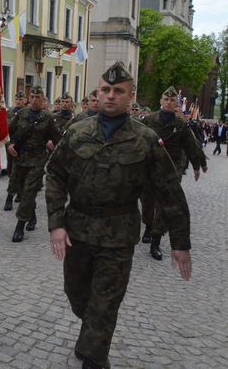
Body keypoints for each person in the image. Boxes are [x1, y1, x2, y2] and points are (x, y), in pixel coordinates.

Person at [45, 62, 192, 369]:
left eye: (118, 91)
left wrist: (180, 242)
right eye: (106, 90)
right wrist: (56, 223)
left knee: (105, 304)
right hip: (78, 231)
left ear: (130, 96)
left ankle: (96, 355)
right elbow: (56, 175)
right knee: (77, 295)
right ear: (98, 93)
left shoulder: (146, 139)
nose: (110, 96)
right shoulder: (77, 132)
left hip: (118, 235)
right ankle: (92, 336)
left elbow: (169, 191)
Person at [141, 86, 207, 259]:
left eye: (172, 100)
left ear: (176, 103)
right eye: (166, 99)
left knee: (165, 205)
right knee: (147, 201)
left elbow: (191, 145)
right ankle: (148, 226)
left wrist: (197, 164)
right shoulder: (149, 120)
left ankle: (156, 240)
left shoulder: (181, 124)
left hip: (172, 168)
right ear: (161, 101)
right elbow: (138, 141)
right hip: (150, 166)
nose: (169, 102)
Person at [6, 85, 61, 242]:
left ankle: (19, 226)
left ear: (43, 99)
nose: (35, 100)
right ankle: (32, 214)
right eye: (32, 97)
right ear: (29, 99)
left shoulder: (48, 118)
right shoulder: (22, 114)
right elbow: (10, 131)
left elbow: (57, 139)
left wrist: (55, 150)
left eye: (38, 97)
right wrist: (9, 145)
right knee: (22, 191)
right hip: (20, 157)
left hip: (37, 159)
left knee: (29, 191)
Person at [3, 90, 27, 211]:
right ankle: (17, 190)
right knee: (10, 169)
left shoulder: (27, 113)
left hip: (22, 147)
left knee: (17, 172)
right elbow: (6, 129)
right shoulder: (9, 112)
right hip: (10, 145)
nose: (18, 101)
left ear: (25, 100)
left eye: (21, 99)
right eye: (17, 99)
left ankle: (12, 195)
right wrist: (8, 144)